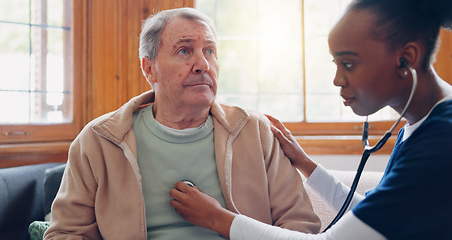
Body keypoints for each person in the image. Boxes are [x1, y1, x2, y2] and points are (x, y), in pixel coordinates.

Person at [169, 0, 452, 239]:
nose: (338, 80)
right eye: (336, 64)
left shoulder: (440, 143)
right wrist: (305, 164)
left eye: (349, 64)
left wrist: (219, 219)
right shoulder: (420, 122)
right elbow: (375, 216)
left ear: (407, 58)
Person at [43, 7, 321, 239]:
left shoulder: (255, 131)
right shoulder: (98, 140)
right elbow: (66, 233)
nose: (203, 64)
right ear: (149, 68)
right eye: (185, 51)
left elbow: (300, 224)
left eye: (209, 50)